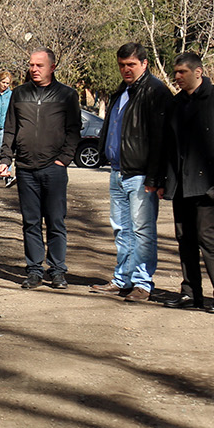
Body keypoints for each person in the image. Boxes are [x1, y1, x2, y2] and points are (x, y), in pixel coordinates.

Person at [155, 53, 214, 313]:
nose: (177, 77)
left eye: (182, 72)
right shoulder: (176, 103)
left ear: (199, 72)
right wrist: (163, 181)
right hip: (181, 182)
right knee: (184, 237)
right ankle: (190, 292)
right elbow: (168, 147)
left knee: (207, 236)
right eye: (176, 72)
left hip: (208, 183)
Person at [0, 48, 82, 290]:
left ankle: (57, 271)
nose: (34, 69)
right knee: (31, 222)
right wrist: (6, 158)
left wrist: (64, 159)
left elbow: (74, 131)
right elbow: (10, 128)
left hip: (53, 169)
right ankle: (34, 270)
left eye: (39, 65)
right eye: (31, 65)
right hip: (25, 169)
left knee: (56, 221)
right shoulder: (19, 94)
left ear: (52, 67)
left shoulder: (67, 95)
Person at [90, 43, 170, 302]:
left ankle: (142, 283)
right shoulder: (122, 92)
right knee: (121, 229)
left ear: (145, 64)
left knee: (142, 230)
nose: (125, 69)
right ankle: (122, 278)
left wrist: (155, 177)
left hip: (141, 175)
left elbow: (162, 139)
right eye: (122, 65)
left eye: (131, 65)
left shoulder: (155, 92)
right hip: (118, 171)